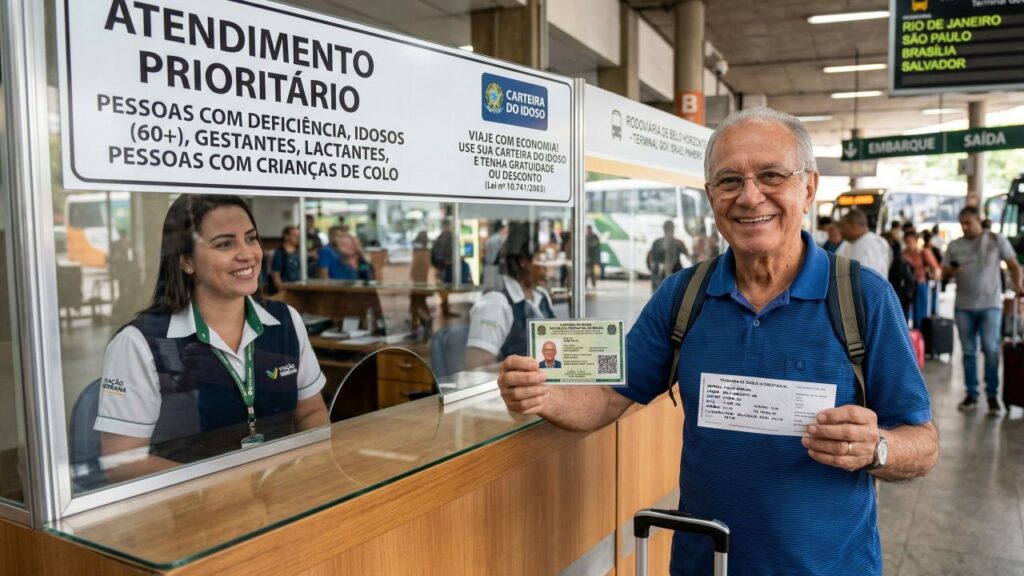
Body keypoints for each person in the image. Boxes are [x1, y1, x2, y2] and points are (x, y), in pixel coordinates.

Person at [497, 108, 937, 576]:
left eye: (771, 175)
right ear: (711, 197)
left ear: (809, 188)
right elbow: (608, 395)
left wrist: (876, 448)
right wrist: (544, 395)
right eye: (729, 181)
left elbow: (923, 443)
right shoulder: (683, 296)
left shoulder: (862, 298)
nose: (749, 196)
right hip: (704, 564)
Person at [95, 195, 328, 482]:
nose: (247, 254)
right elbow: (122, 462)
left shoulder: (285, 320)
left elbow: (311, 412)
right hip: (190, 503)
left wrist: (312, 472)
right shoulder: (138, 343)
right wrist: (219, 488)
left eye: (250, 238)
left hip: (281, 491)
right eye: (225, 244)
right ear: (186, 261)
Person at [944, 206, 1024, 414]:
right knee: (968, 352)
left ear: (979, 220)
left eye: (968, 223)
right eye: (962, 223)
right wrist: (952, 270)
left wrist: (1019, 286)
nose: (965, 227)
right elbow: (943, 272)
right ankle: (971, 394)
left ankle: (992, 396)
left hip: (990, 305)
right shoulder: (954, 245)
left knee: (990, 349)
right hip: (963, 306)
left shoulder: (996, 240)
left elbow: (1013, 265)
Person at [465, 222, 556, 370]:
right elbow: (476, 368)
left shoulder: (542, 297)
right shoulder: (495, 303)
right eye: (542, 258)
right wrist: (518, 369)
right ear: (523, 261)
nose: (549, 267)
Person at [902, 227, 941, 329]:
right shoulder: (903, 254)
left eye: (910, 241)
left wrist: (934, 275)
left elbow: (935, 267)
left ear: (916, 240)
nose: (908, 244)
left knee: (920, 314)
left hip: (920, 284)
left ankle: (919, 334)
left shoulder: (923, 252)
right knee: (905, 313)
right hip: (907, 287)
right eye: (906, 242)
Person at [836, 209, 892, 276]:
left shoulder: (863, 246)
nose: (840, 230)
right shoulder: (881, 241)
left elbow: (859, 277)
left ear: (854, 226)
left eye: (843, 226)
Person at [646, 220, 690, 291]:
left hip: (670, 274)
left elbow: (651, 262)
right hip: (667, 275)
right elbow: (688, 256)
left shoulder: (657, 242)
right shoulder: (678, 243)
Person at [269, 225, 302, 294]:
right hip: (286, 290)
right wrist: (282, 291)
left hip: (299, 289)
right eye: (294, 235)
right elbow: (275, 274)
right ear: (286, 237)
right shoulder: (280, 253)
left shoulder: (299, 252)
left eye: (298, 235)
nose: (297, 238)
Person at [482, 220, 508, 290]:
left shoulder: (491, 238)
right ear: (501, 229)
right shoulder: (500, 238)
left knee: (489, 289)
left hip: (489, 267)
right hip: (496, 268)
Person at [585, 224, 601, 289]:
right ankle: (585, 284)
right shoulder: (586, 237)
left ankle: (593, 284)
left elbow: (596, 246)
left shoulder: (594, 237)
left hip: (592, 258)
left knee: (592, 272)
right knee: (586, 272)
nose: (588, 231)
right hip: (587, 258)